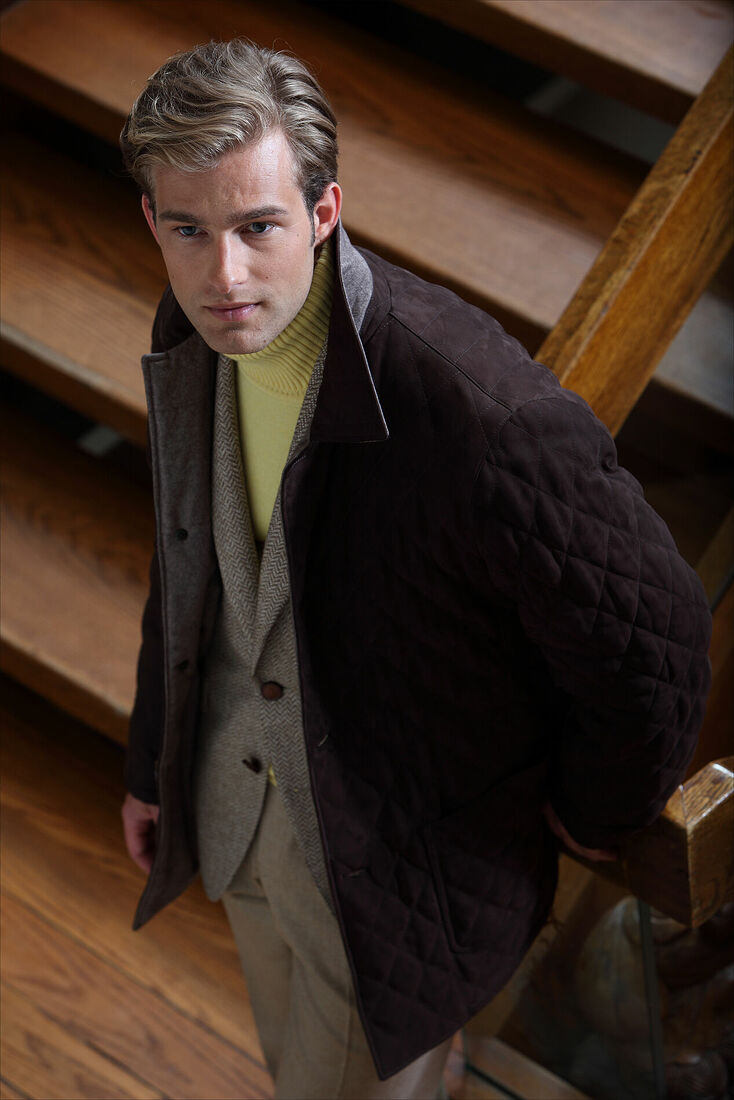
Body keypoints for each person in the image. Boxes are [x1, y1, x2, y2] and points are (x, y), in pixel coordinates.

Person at [119, 38, 712, 1100]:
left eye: (258, 227)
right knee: (290, 1062)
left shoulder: (479, 413)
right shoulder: (192, 328)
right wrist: (152, 757)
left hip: (392, 882)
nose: (225, 276)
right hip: (236, 815)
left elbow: (655, 638)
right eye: (189, 230)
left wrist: (593, 811)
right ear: (152, 222)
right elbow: (189, 563)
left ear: (324, 211)